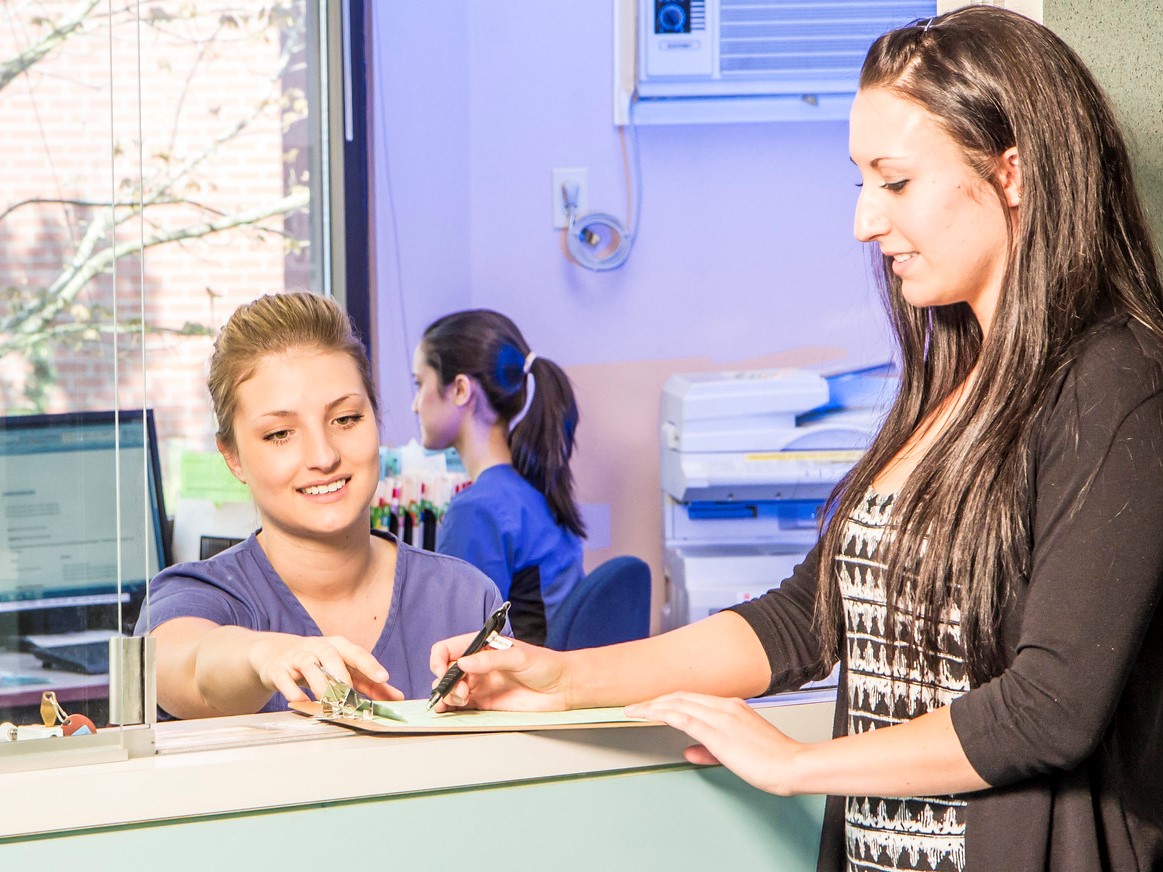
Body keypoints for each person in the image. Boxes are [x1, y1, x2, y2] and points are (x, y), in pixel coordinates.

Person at [429, 8, 1163, 871]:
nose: (863, 220)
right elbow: (801, 621)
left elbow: (1048, 707)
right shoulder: (952, 384)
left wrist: (796, 765)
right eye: (858, 181)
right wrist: (559, 679)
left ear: (1011, 172)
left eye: (893, 182)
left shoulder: (1117, 381)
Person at [136, 292, 503, 718]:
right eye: (280, 434)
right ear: (232, 457)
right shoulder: (197, 598)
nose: (323, 456)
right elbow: (191, 668)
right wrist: (264, 655)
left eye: (345, 419)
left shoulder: (465, 598)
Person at [411, 309, 586, 646]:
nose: (415, 405)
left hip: (515, 689)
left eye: (419, 384)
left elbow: (458, 650)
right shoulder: (535, 491)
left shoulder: (477, 511)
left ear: (461, 389)